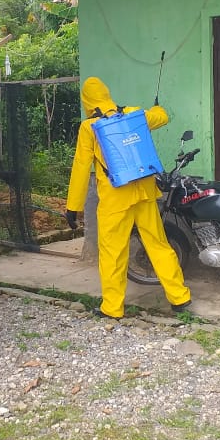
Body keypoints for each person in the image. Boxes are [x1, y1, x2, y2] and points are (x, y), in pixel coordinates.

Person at [65, 77, 193, 319]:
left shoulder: (89, 128)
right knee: (158, 243)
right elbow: (162, 116)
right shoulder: (134, 114)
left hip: (116, 198)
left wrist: (73, 207)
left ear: (87, 101)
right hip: (144, 191)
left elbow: (81, 168)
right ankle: (180, 296)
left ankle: (112, 308)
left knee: (113, 252)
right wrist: (156, 108)